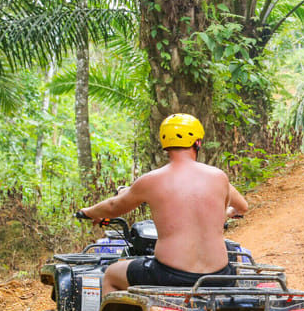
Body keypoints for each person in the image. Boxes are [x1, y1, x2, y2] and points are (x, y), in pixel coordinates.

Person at [79, 113, 249, 296]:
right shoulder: (218, 177)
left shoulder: (151, 180)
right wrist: (227, 213)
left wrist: (88, 212)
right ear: (197, 142)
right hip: (219, 275)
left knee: (111, 274)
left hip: (170, 275)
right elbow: (242, 207)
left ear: (164, 143)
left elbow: (113, 206)